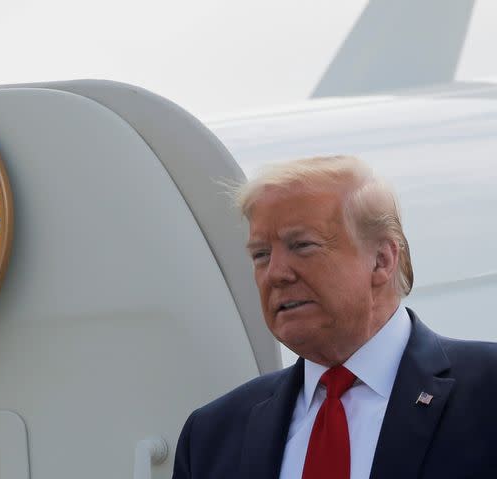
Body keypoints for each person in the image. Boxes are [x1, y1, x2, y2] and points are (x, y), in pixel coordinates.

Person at [172, 156, 497, 479]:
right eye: (261, 255)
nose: (275, 274)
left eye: (302, 246)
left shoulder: (485, 394)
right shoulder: (212, 437)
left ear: (382, 260)